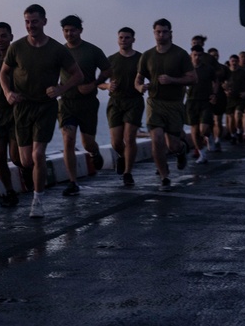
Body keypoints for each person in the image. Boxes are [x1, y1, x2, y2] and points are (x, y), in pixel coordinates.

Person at [0, 4, 83, 219]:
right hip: (22, 107)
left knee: (38, 154)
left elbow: (77, 75)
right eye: (27, 22)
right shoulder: (16, 47)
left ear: (44, 22)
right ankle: (35, 181)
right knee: (25, 160)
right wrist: (8, 93)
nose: (30, 26)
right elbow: (4, 73)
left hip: (45, 106)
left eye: (34, 21)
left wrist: (60, 89)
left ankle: (38, 200)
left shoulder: (57, 49)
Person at [135, 18, 196, 191]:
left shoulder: (180, 54)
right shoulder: (147, 55)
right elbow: (138, 79)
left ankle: (181, 149)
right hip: (154, 103)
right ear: (154, 33)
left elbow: (193, 78)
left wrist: (172, 80)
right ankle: (164, 176)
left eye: (164, 32)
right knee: (157, 139)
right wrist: (140, 87)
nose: (161, 35)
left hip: (174, 104)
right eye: (158, 32)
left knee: (172, 145)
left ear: (170, 33)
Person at [57, 15, 110, 196]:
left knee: (87, 143)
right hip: (66, 103)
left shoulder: (92, 50)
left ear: (80, 30)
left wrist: (94, 84)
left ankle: (94, 153)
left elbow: (107, 70)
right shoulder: (59, 51)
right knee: (68, 139)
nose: (69, 33)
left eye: (72, 30)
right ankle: (73, 182)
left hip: (87, 103)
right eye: (66, 30)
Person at [0, 22, 29, 208]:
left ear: (11, 37)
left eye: (3, 35)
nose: (0, 40)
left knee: (15, 156)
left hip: (16, 112)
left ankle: (27, 169)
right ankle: (9, 191)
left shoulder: (18, 58)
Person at [103, 27, 144, 186]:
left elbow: (151, 75)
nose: (124, 40)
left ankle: (128, 172)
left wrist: (143, 86)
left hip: (134, 101)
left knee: (129, 137)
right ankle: (123, 156)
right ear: (117, 39)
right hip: (115, 102)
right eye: (121, 37)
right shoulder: (111, 60)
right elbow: (98, 82)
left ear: (133, 40)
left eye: (127, 37)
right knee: (116, 142)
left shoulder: (141, 59)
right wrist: (106, 86)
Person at [186, 45, 217, 163]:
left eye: (199, 55)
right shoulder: (186, 69)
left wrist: (214, 94)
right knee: (194, 130)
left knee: (203, 129)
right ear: (191, 55)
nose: (197, 57)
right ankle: (202, 154)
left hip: (206, 101)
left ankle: (209, 136)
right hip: (191, 102)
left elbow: (216, 81)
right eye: (195, 55)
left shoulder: (208, 69)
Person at [223, 54, 245, 144]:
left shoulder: (243, 72)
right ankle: (233, 135)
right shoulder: (225, 73)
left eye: (236, 61)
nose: (234, 63)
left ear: (238, 62)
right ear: (229, 62)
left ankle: (239, 131)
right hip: (229, 99)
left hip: (240, 98)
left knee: (238, 115)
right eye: (232, 61)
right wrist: (225, 91)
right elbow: (220, 84)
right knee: (230, 119)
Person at [207, 47, 227, 151]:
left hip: (219, 96)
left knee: (218, 120)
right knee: (208, 121)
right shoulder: (204, 68)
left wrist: (226, 85)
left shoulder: (223, 68)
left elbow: (230, 79)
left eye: (216, 55)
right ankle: (210, 139)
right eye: (212, 55)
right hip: (206, 97)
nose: (215, 57)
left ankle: (217, 140)